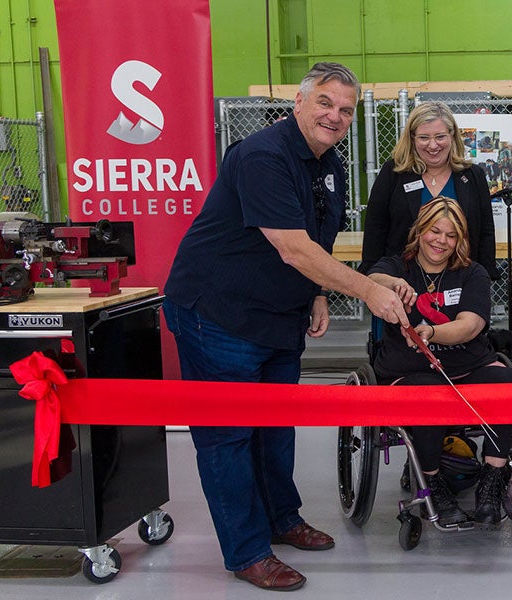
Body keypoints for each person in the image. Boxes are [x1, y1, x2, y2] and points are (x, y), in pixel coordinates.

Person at [163, 62, 410, 592]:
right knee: (227, 438)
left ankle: (281, 518)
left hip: (278, 317)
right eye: (325, 102)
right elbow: (292, 247)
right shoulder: (262, 156)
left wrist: (317, 292)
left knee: (276, 426)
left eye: (346, 109)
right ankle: (247, 551)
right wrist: (368, 290)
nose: (335, 116)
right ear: (298, 103)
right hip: (218, 314)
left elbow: (315, 239)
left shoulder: (330, 164)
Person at [366, 197, 512, 527]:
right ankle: (432, 482)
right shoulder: (398, 267)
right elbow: (370, 280)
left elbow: (472, 325)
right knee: (429, 393)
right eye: (434, 231)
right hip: (410, 370)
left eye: (451, 236)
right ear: (420, 231)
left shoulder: (472, 273)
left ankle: (493, 480)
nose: (441, 241)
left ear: (460, 239)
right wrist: (393, 284)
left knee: (508, 382)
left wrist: (431, 332)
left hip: (467, 365)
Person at [360, 101, 498, 279]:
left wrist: (483, 277)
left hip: (460, 280)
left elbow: (485, 231)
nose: (433, 146)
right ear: (412, 138)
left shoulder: (472, 176)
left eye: (440, 136)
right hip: (403, 281)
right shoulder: (393, 174)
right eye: (424, 137)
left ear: (452, 135)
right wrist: (373, 275)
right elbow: (375, 228)